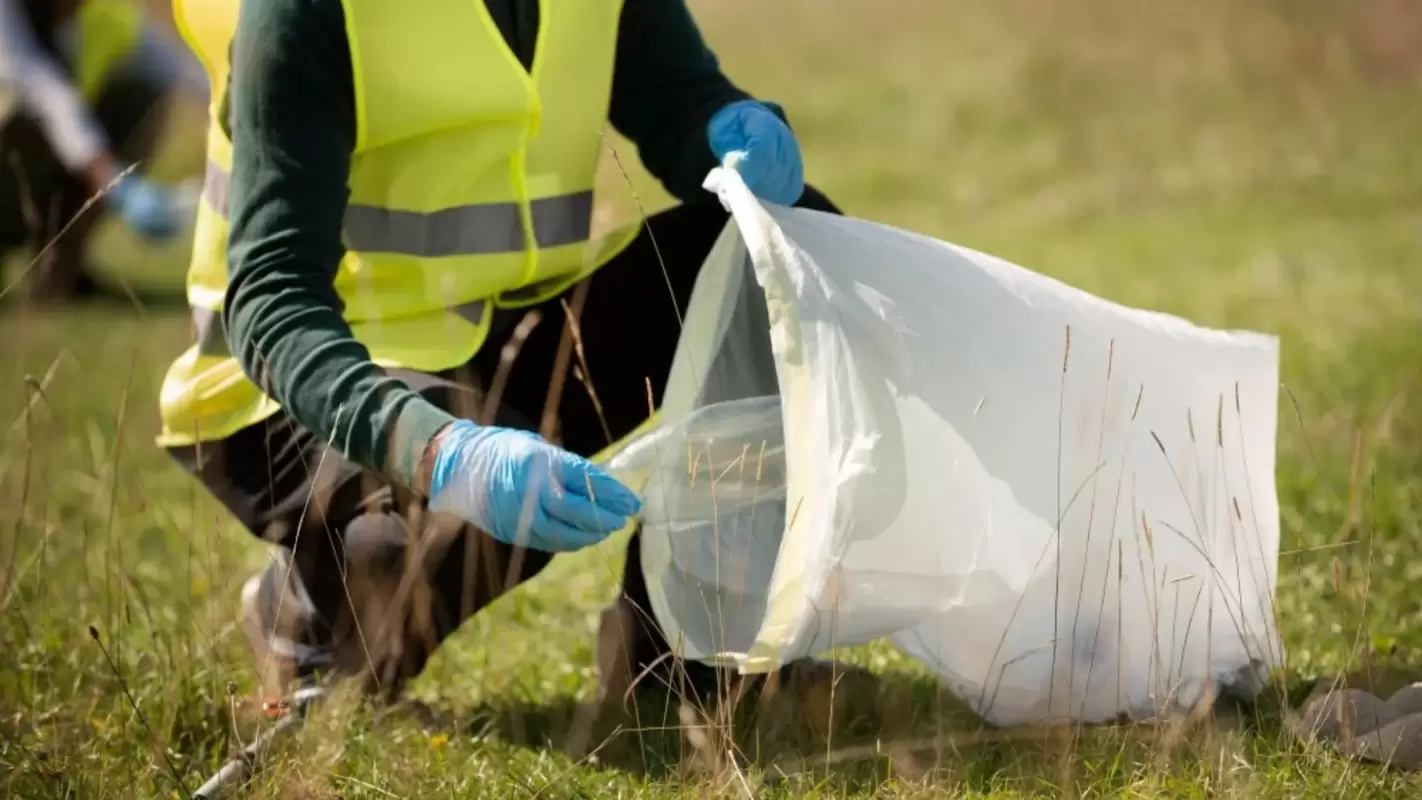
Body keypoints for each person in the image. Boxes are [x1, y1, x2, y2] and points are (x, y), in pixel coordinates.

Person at [157, 0, 844, 710]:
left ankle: (684, 658)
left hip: (496, 337)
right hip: (293, 390)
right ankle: (303, 621)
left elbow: (676, 101)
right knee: (430, 535)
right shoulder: (302, 13)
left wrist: (722, 128)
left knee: (783, 259)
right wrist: (440, 451)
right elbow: (272, 304)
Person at [0, 0, 206, 302]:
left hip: (61, 151)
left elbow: (175, 68)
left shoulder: (104, 12)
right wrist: (112, 179)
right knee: (15, 112)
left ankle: (60, 273)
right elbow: (46, 94)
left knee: (139, 94)